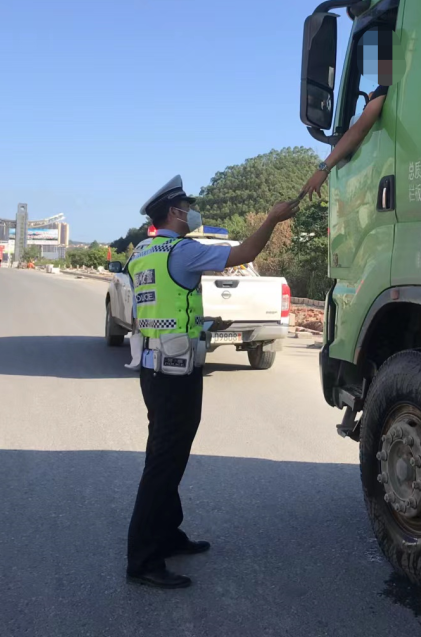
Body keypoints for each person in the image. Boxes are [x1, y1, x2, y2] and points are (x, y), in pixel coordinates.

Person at [125, 175, 297, 590]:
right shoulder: (182, 250)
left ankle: (168, 533)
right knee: (164, 462)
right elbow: (245, 253)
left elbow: (162, 305)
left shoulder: (143, 252)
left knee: (167, 454)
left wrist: (201, 322)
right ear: (174, 212)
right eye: (186, 207)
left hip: (153, 367)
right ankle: (143, 559)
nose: (192, 213)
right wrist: (272, 219)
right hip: (176, 372)